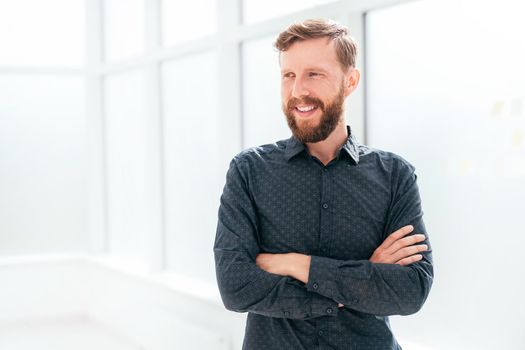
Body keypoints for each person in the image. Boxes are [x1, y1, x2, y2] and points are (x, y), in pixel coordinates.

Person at [213, 18, 433, 350]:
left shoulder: (394, 175)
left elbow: (410, 290)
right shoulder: (249, 171)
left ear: (350, 81)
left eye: (314, 74)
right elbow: (236, 287)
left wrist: (296, 264)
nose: (298, 90)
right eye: (289, 75)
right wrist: (362, 279)